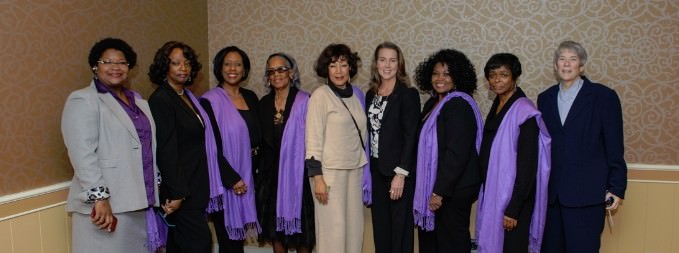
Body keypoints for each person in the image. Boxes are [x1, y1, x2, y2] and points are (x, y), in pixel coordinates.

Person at [62, 38, 164, 253]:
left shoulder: (138, 101)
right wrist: (100, 198)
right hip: (108, 204)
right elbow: (82, 155)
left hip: (139, 200)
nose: (115, 67)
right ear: (95, 66)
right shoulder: (84, 99)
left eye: (122, 63)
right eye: (107, 62)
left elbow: (147, 148)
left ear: (129, 68)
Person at [538, 41, 627, 253]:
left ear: (582, 66)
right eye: (562, 59)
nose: (566, 64)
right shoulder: (545, 98)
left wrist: (616, 187)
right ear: (555, 65)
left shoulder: (603, 97)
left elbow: (614, 145)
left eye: (573, 59)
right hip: (552, 196)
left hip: (586, 194)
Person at [148, 41, 235, 253]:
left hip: (196, 185)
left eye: (186, 63)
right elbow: (166, 151)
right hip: (181, 191)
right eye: (176, 63)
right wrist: (177, 194)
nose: (183, 68)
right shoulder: (162, 99)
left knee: (179, 245)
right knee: (200, 243)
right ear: (165, 67)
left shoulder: (187, 97)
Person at [474, 53, 551, 253]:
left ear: (515, 77)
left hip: (514, 202)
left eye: (503, 75)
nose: (497, 80)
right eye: (492, 75)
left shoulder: (524, 111)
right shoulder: (498, 105)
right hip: (494, 193)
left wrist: (513, 209)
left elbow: (527, 166)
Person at [412, 48, 483, 253]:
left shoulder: (458, 105)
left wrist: (438, 192)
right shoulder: (433, 103)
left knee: (451, 242)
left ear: (457, 76)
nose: (440, 78)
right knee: (433, 241)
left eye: (446, 73)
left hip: (453, 189)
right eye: (435, 73)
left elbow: (456, 154)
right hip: (438, 185)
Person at [306, 43, 369, 253]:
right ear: (326, 69)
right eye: (333, 65)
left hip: (355, 170)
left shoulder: (357, 95)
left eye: (343, 64)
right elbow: (312, 138)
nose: (339, 71)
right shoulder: (320, 96)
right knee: (332, 233)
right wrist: (317, 178)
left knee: (354, 231)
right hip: (329, 174)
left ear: (350, 67)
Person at [199, 46, 260, 253]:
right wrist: (232, 178)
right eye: (227, 63)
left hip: (250, 177)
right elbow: (209, 146)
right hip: (225, 181)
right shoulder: (209, 101)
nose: (232, 68)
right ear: (219, 68)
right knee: (229, 243)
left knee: (239, 240)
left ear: (244, 70)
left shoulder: (251, 97)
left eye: (238, 64)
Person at [256, 52, 315, 253]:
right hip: (271, 178)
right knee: (276, 234)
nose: (276, 74)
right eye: (271, 71)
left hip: (300, 178)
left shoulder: (306, 101)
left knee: (303, 237)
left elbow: (314, 139)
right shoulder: (263, 104)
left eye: (281, 69)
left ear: (291, 73)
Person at [365, 42, 420, 253]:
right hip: (376, 171)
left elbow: (410, 136)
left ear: (400, 64)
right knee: (381, 230)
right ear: (376, 63)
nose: (387, 65)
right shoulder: (371, 94)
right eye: (382, 60)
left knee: (400, 232)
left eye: (392, 60)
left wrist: (401, 174)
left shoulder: (408, 95)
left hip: (398, 174)